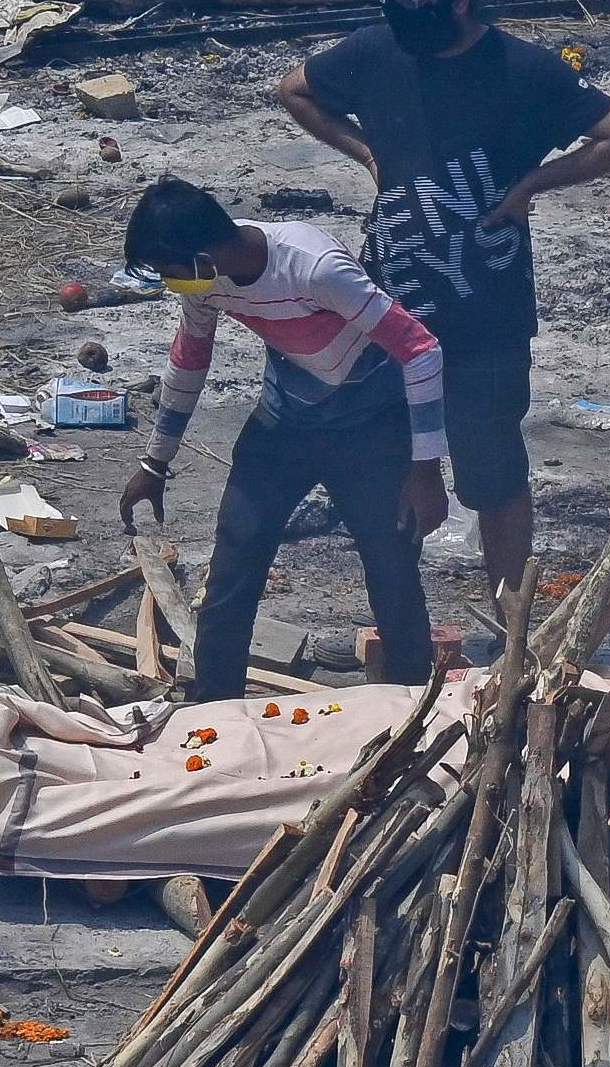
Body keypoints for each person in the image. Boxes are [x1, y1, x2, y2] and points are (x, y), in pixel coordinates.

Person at [277, 0, 610, 603]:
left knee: (492, 474)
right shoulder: (372, 53)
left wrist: (534, 183)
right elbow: (296, 91)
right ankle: (403, 623)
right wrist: (365, 153)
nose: (399, 5)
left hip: (487, 311)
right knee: (393, 466)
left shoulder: (523, 70)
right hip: (390, 300)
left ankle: (510, 625)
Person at [112, 182, 448, 701]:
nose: (170, 284)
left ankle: (412, 712)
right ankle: (214, 710)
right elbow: (188, 360)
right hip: (283, 427)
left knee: (392, 570)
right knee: (233, 566)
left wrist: (425, 470)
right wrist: (155, 463)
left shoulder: (315, 269)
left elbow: (421, 351)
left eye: (169, 270)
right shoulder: (207, 284)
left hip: (372, 429)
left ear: (202, 255)